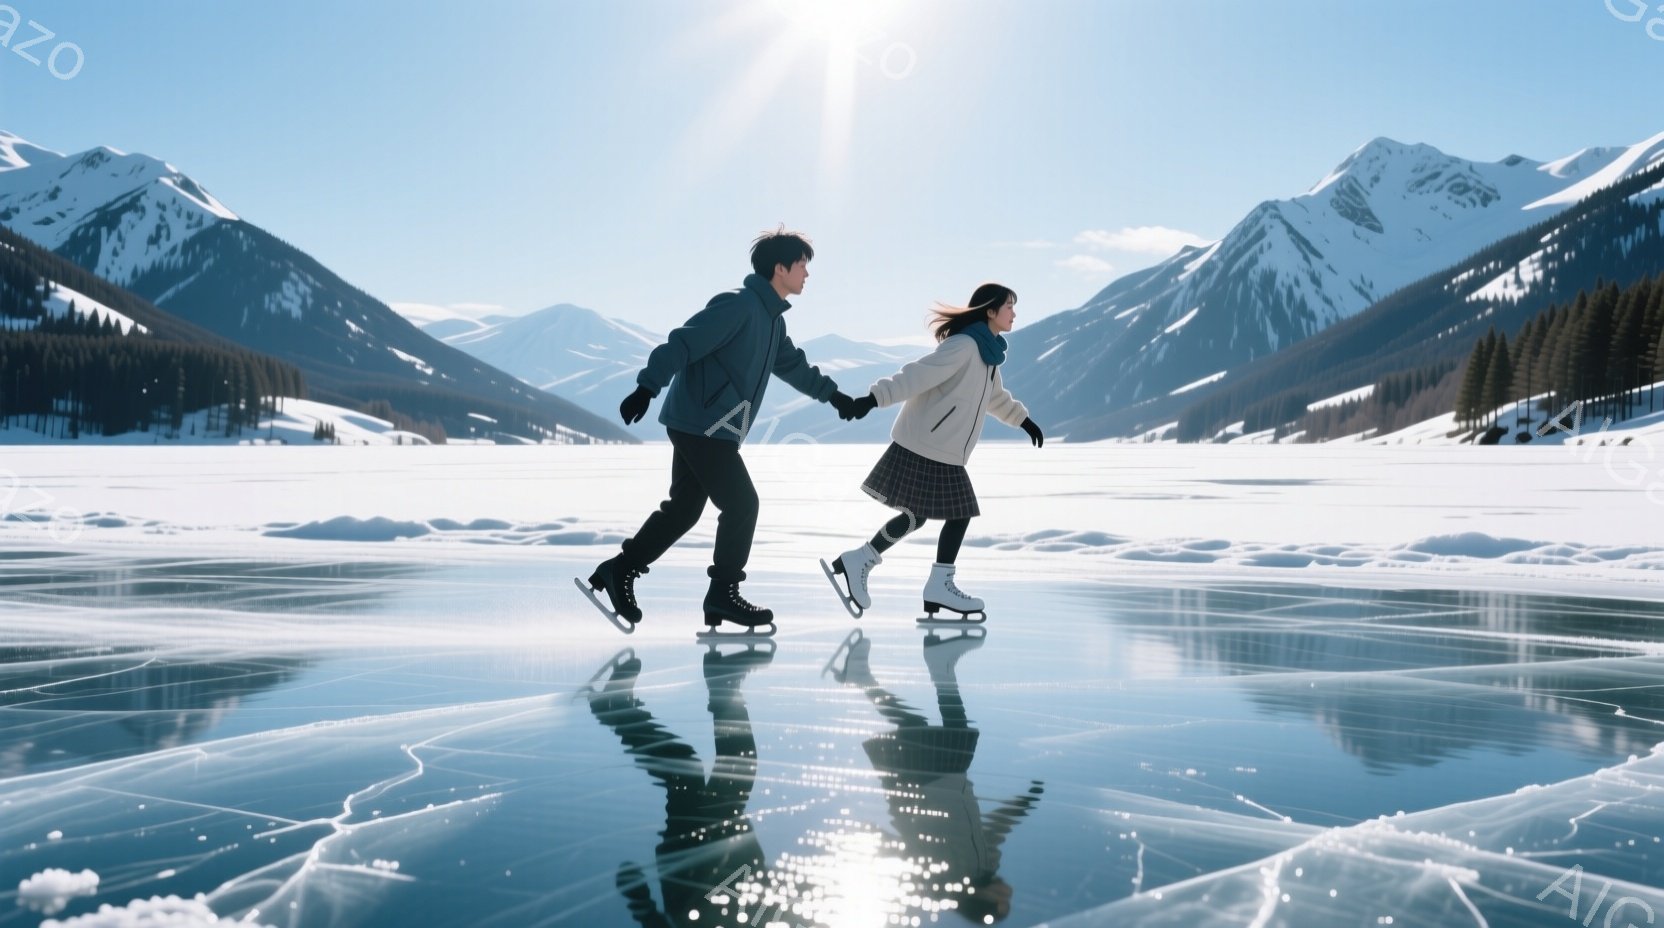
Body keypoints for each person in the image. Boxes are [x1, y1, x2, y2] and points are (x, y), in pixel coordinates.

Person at [585, 229, 861, 632]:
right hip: (701, 424)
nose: (807, 273)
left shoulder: (771, 322)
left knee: (684, 509)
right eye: (802, 264)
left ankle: (619, 570)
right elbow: (683, 343)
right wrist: (647, 386)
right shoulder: (738, 306)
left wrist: (836, 398)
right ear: (779, 268)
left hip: (712, 427)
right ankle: (722, 593)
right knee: (742, 504)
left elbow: (795, 367)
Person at [826, 283, 1043, 619]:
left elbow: (995, 398)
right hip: (927, 444)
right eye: (1009, 306)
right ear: (990, 310)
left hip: (938, 448)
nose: (1014, 313)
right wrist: (873, 399)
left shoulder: (987, 356)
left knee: (916, 516)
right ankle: (938, 585)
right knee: (960, 512)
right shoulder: (965, 346)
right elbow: (917, 375)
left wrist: (1023, 421)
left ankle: (861, 559)